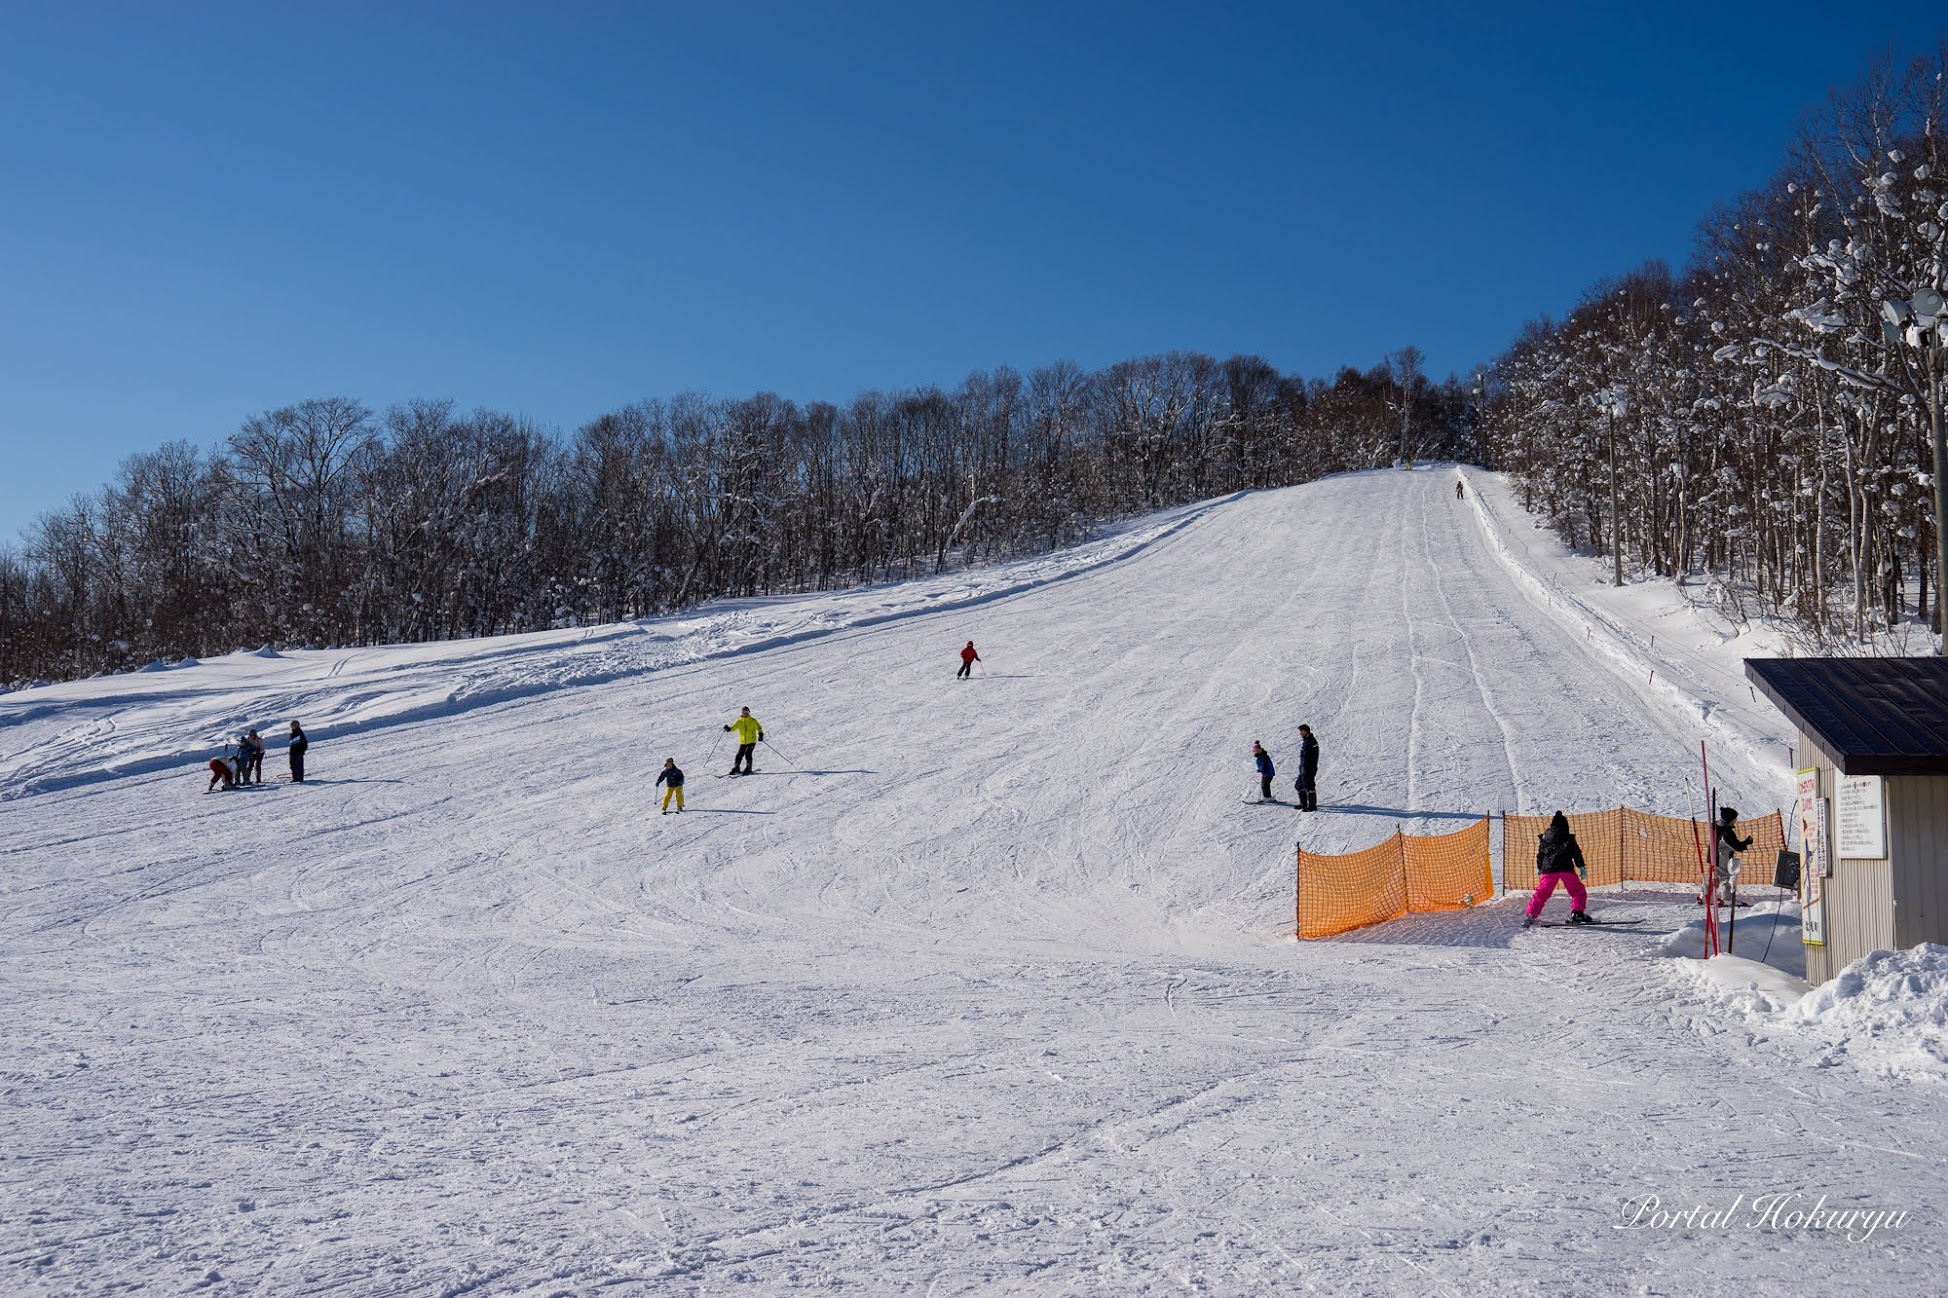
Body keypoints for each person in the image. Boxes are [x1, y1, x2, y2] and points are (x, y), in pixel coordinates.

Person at [1524, 811, 1592, 926]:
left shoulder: (1545, 838)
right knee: (1578, 891)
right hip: (1566, 868)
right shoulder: (1567, 837)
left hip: (1549, 870)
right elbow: (1576, 853)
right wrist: (1581, 867)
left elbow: (1540, 854)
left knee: (1542, 893)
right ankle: (1577, 913)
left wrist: (1540, 867)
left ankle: (1531, 914)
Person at [1706, 807, 1752, 905]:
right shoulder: (1727, 832)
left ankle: (1705, 895)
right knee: (1725, 877)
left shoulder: (1716, 826)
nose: (1735, 820)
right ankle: (1727, 899)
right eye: (1734, 818)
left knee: (1714, 876)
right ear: (1729, 819)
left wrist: (1743, 843)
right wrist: (1745, 843)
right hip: (1722, 857)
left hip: (1712, 855)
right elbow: (1734, 845)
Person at [723, 707, 763, 775]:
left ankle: (749, 767)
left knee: (748, 754)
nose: (745, 713)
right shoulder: (739, 721)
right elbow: (733, 727)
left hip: (751, 741)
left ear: (749, 712)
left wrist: (761, 734)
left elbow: (759, 727)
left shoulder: (753, 721)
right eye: (744, 712)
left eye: (747, 712)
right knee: (739, 755)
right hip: (743, 742)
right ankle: (737, 767)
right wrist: (728, 729)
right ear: (742, 712)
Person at [1294, 724, 1320, 811]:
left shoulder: (1311, 742)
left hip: (1309, 768)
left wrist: (1307, 767)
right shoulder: (1306, 741)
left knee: (1309, 786)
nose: (1300, 734)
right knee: (1299, 785)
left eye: (1301, 731)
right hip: (1303, 768)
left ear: (1305, 731)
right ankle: (1303, 803)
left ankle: (1312, 806)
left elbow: (1310, 757)